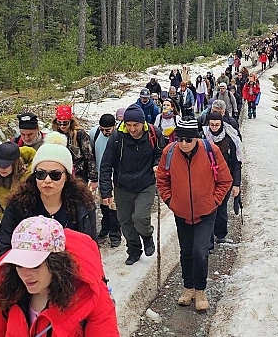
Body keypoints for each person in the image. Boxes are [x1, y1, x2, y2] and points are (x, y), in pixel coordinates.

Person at [0, 216, 119, 337]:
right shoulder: (6, 290)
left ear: (56, 264)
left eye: (35, 265)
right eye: (19, 265)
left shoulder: (91, 297)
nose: (25, 274)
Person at [155, 119, 232, 312]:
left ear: (196, 138)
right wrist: (170, 201)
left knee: (200, 251)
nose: (184, 143)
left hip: (206, 212)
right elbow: (162, 179)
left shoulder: (211, 151)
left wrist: (214, 201)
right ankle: (188, 287)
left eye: (188, 140)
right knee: (186, 251)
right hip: (181, 212)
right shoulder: (169, 152)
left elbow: (225, 180)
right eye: (180, 139)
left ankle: (200, 290)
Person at [0, 132, 97, 258]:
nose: (47, 180)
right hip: (28, 274)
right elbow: (4, 250)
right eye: (41, 174)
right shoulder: (18, 205)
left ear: (67, 176)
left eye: (55, 175)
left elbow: (91, 248)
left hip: (72, 272)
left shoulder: (83, 205)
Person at [99, 104, 165, 265]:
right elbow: (106, 164)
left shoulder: (154, 133)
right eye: (128, 125)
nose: (132, 129)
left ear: (142, 123)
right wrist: (106, 191)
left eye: (135, 125)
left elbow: (161, 153)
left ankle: (147, 236)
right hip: (122, 185)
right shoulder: (117, 137)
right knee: (126, 221)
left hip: (145, 183)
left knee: (140, 217)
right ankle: (134, 250)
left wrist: (157, 163)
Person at [202, 112, 242, 251]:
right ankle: (208, 239)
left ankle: (220, 234)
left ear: (221, 124)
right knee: (209, 207)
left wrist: (237, 184)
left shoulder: (230, 139)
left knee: (221, 206)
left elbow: (236, 162)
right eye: (211, 125)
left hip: (225, 178)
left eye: (216, 125)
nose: (214, 127)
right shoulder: (203, 138)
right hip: (207, 178)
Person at [90, 114, 121, 247]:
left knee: (113, 206)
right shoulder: (94, 133)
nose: (104, 132)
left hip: (114, 176)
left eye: (107, 130)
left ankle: (115, 234)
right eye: (102, 129)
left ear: (114, 126)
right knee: (103, 204)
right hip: (100, 175)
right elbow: (91, 152)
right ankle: (105, 227)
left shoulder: (119, 136)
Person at [51, 105, 96, 188]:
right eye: (59, 123)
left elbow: (89, 156)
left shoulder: (79, 134)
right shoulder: (55, 134)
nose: (62, 126)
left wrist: (94, 178)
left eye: (65, 123)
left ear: (70, 121)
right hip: (61, 174)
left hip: (79, 174)